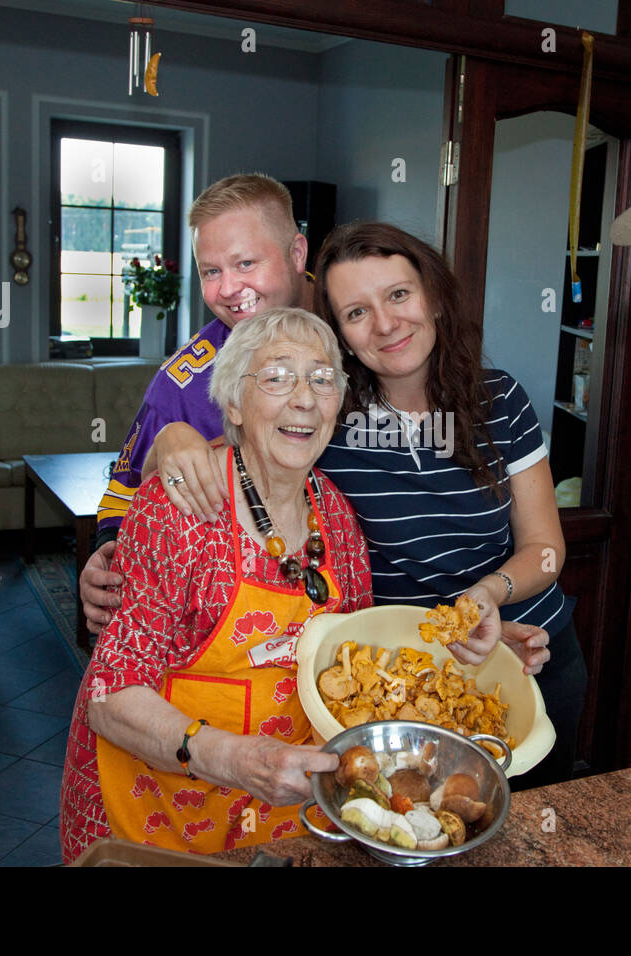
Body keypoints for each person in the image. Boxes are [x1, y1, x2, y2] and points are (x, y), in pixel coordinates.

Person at [144, 223, 584, 789]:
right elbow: (237, 449)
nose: (384, 324)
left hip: (530, 659)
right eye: (356, 312)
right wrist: (170, 435)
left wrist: (485, 598)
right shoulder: (327, 413)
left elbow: (546, 548)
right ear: (342, 336)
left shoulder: (500, 400)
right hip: (406, 682)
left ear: (433, 297)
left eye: (398, 295)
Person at [60, 308, 372, 861]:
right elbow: (109, 698)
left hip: (281, 812)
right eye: (276, 376)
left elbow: (357, 671)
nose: (304, 397)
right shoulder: (178, 506)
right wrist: (238, 761)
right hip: (159, 809)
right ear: (233, 404)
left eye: (322, 379)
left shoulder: (338, 518)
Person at [81, 173, 315, 636]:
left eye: (245, 263)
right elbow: (120, 498)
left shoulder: (362, 327)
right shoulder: (181, 385)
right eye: (211, 271)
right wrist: (107, 554)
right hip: (238, 623)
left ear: (296, 253)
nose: (228, 289)